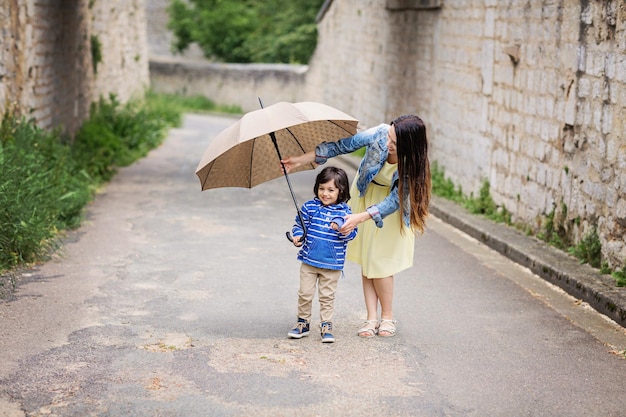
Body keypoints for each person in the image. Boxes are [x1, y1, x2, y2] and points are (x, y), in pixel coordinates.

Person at [282, 114, 431, 338]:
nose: (387, 143)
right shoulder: (379, 134)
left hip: (386, 208)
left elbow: (395, 200)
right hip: (365, 196)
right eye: (388, 137)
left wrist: (361, 217)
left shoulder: (413, 163)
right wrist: (302, 160)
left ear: (409, 146)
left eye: (394, 143)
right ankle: (371, 318)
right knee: (367, 258)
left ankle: (387, 317)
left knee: (381, 264)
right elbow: (342, 146)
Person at [287, 166, 358, 343]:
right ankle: (303, 322)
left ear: (341, 191)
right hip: (309, 261)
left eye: (330, 190)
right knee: (305, 293)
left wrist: (342, 230)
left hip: (332, 264)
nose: (325, 193)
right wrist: (297, 235)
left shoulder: (345, 212)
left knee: (327, 296)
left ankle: (326, 324)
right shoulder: (309, 207)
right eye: (321, 188)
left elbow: (352, 233)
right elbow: (298, 225)